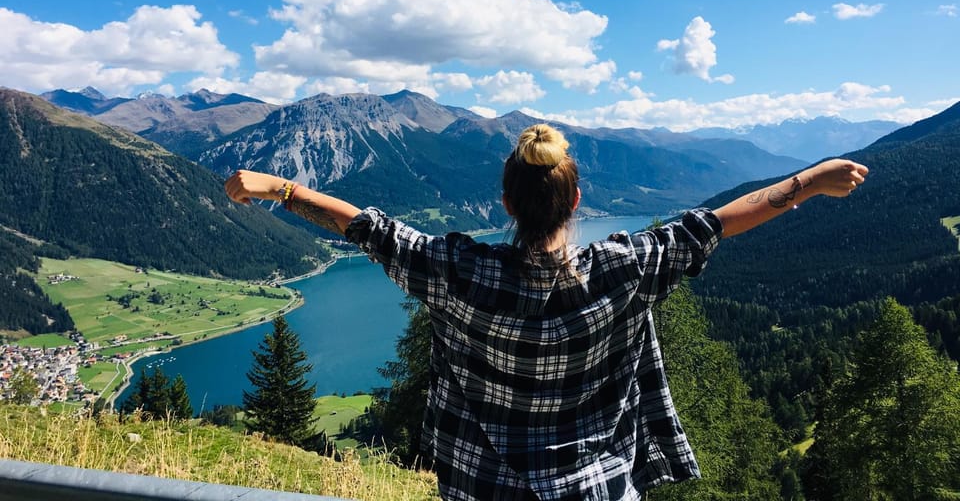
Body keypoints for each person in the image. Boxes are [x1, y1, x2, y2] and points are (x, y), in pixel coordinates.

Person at [224, 123, 868, 500]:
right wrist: (812, 180)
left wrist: (280, 187)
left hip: (480, 488)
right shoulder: (626, 269)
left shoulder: (457, 272)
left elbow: (368, 227)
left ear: (506, 202)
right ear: (578, 199)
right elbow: (723, 221)